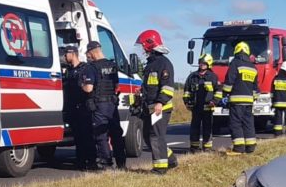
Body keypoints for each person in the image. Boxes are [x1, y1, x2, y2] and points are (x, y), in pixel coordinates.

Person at [135, 29, 177, 174]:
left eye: (143, 45)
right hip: (150, 107)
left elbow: (167, 87)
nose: (142, 48)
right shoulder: (151, 64)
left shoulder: (163, 64)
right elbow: (150, 86)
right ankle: (170, 160)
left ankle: (160, 168)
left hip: (161, 107)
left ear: (149, 44)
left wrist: (160, 102)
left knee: (156, 135)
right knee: (147, 135)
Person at [83, 41, 126, 169]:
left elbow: (89, 88)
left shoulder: (91, 67)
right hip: (112, 105)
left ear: (92, 52)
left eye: (88, 54)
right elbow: (117, 86)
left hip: (99, 105)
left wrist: (82, 85)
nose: (88, 56)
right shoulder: (112, 66)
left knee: (101, 135)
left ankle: (106, 163)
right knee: (116, 134)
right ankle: (121, 162)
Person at [62, 44, 97, 170]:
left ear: (73, 54)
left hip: (84, 108)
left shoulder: (85, 69)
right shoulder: (68, 71)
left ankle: (92, 162)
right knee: (78, 137)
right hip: (72, 108)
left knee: (87, 136)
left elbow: (88, 88)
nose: (65, 56)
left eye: (66, 54)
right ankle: (81, 161)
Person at [222, 41, 259, 154]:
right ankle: (250, 147)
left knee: (235, 124)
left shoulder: (235, 63)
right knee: (248, 123)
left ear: (236, 51)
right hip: (249, 101)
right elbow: (255, 87)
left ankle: (238, 148)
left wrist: (225, 94)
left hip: (237, 100)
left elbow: (230, 80)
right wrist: (254, 98)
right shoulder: (253, 67)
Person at [182, 53, 220, 152]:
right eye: (200, 63)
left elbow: (218, 91)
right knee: (195, 127)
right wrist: (186, 102)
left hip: (208, 106)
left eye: (204, 63)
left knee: (207, 127)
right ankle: (194, 147)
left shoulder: (213, 76)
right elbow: (187, 90)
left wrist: (214, 101)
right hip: (196, 106)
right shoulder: (192, 76)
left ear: (208, 64)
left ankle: (207, 148)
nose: (201, 65)